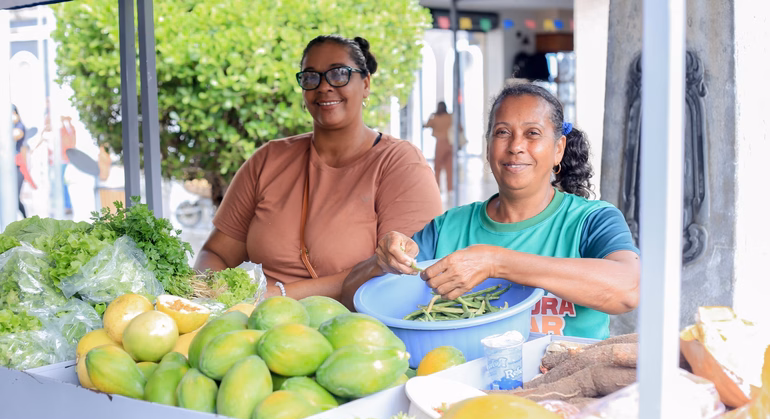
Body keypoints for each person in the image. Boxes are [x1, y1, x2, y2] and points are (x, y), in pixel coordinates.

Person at [342, 82, 640, 339]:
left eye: (532, 133)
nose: (516, 146)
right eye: (502, 132)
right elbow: (352, 298)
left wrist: (496, 262)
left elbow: (628, 289)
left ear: (558, 149)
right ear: (488, 146)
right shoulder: (448, 228)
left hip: (567, 382)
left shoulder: (592, 220)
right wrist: (381, 263)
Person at [195, 34, 442, 300]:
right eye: (311, 77)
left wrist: (277, 296)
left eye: (339, 74)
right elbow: (216, 253)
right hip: (256, 319)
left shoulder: (401, 164)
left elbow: (401, 274)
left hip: (356, 323)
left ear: (366, 84)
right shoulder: (268, 159)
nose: (324, 86)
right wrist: (216, 297)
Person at [423, 101, 454, 193]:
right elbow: (459, 127)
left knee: (438, 167)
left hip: (440, 143)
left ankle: (437, 188)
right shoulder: (449, 117)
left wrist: (431, 115)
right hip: (449, 143)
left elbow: (427, 125)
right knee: (449, 167)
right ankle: (450, 189)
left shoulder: (435, 118)